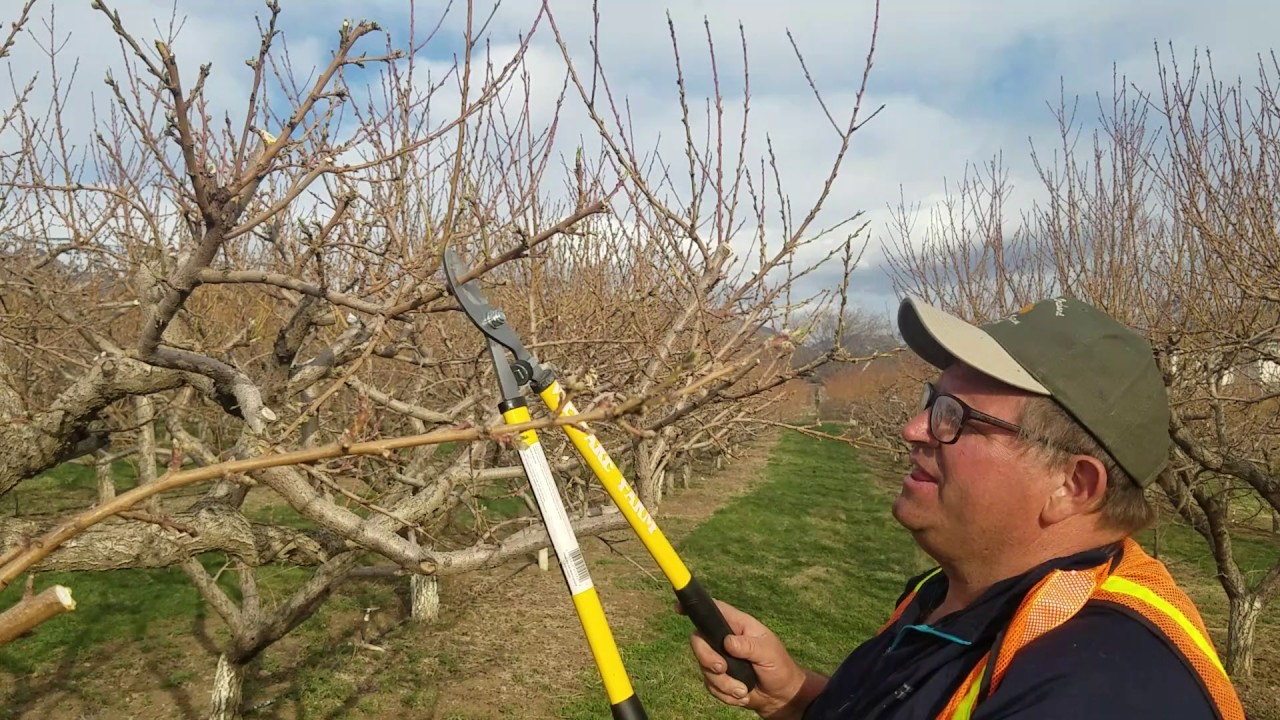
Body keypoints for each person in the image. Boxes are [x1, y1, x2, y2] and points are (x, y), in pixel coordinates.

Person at [688, 296, 1248, 719]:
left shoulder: (1093, 687)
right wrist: (795, 695)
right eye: (932, 402)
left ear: (1071, 484)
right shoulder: (956, 592)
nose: (913, 430)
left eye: (955, 417)